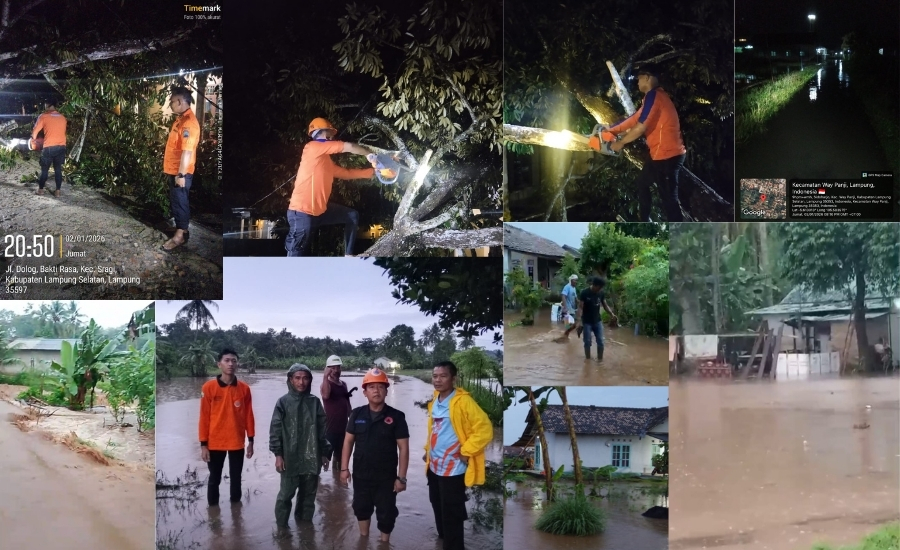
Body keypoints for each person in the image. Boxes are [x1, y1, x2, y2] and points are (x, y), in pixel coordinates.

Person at [602, 65, 687, 222]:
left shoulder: (655, 96)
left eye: (639, 78)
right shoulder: (653, 97)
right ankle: (644, 221)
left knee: (669, 201)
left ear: (647, 77)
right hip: (658, 155)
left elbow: (640, 127)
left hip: (668, 156)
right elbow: (634, 119)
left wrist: (620, 142)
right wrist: (612, 130)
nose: (637, 82)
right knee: (642, 183)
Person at [424, 361, 493, 550]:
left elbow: (485, 429)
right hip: (434, 465)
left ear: (453, 379)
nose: (437, 380)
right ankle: (443, 539)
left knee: (451, 513)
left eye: (443, 376)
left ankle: (453, 545)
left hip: (453, 469)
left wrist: (466, 450)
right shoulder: (435, 399)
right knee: (437, 505)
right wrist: (427, 450)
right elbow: (435, 430)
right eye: (435, 376)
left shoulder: (463, 401)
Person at [286, 117, 379, 257]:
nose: (332, 137)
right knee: (296, 255)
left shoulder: (326, 162)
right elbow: (350, 147)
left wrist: (373, 172)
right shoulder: (312, 147)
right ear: (324, 133)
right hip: (302, 213)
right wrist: (369, 154)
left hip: (320, 212)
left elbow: (347, 174)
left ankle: (348, 255)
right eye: (330, 134)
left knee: (352, 216)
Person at [340, 368, 410, 543]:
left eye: (380, 387)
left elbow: (404, 448)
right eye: (371, 387)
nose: (376, 391)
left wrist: (401, 478)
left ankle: (384, 543)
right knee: (361, 508)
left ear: (386, 390)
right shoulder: (356, 414)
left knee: (386, 513)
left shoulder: (396, 417)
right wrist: (344, 469)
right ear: (364, 392)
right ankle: (364, 541)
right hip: (361, 475)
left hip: (386, 478)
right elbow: (348, 442)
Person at [269, 363, 332, 528]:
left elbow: (322, 431)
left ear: (310, 380)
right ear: (290, 379)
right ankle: (282, 529)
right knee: (285, 495)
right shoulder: (282, 402)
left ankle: (305, 528)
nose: (301, 382)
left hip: (312, 456)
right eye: (297, 378)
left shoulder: (315, 402)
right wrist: (278, 455)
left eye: (305, 378)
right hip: (290, 457)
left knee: (308, 495)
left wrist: (325, 453)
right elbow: (275, 430)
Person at [199, 349, 256, 507]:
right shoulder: (208, 388)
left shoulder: (244, 389)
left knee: (236, 479)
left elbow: (248, 416)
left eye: (234, 361)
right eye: (227, 360)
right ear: (219, 364)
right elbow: (204, 417)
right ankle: (213, 515)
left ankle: (236, 514)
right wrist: (203, 445)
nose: (231, 364)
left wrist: (250, 440)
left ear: (237, 364)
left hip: (237, 441)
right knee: (214, 479)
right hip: (215, 442)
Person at [162, 86, 201, 251]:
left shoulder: (188, 123)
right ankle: (181, 228)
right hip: (175, 170)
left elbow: (187, 151)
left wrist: (181, 174)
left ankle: (179, 237)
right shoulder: (181, 119)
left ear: (179, 101)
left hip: (181, 172)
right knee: (177, 201)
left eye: (172, 101)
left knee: (180, 202)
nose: (170, 104)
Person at [321, 355, 353, 476]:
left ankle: (338, 487)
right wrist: (325, 376)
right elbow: (325, 395)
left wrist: (353, 420)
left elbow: (347, 404)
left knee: (339, 459)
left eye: (338, 367)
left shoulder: (343, 384)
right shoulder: (326, 384)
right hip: (329, 430)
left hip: (344, 430)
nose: (336, 371)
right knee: (323, 458)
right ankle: (317, 487)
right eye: (332, 368)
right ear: (327, 369)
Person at [576, 277, 619, 361]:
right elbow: (580, 308)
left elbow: (605, 305)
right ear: (594, 285)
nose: (600, 290)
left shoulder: (601, 293)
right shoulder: (584, 293)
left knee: (601, 342)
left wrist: (612, 314)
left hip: (597, 321)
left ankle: (600, 361)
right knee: (587, 342)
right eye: (599, 287)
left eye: (601, 288)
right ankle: (587, 361)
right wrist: (579, 321)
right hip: (587, 322)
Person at [31, 101, 67, 197]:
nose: (44, 107)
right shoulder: (62, 117)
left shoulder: (43, 116)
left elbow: (35, 131)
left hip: (49, 147)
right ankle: (58, 192)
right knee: (58, 169)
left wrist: (33, 140)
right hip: (62, 146)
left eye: (45, 105)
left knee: (45, 169)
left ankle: (41, 190)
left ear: (49, 105)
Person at [561, 274, 580, 339]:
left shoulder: (574, 288)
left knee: (574, 325)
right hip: (567, 309)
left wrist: (580, 303)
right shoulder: (567, 286)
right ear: (571, 280)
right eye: (575, 280)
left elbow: (575, 298)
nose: (576, 282)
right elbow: (563, 296)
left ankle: (565, 336)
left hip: (572, 309)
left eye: (577, 280)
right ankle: (565, 337)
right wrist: (565, 307)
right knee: (568, 325)